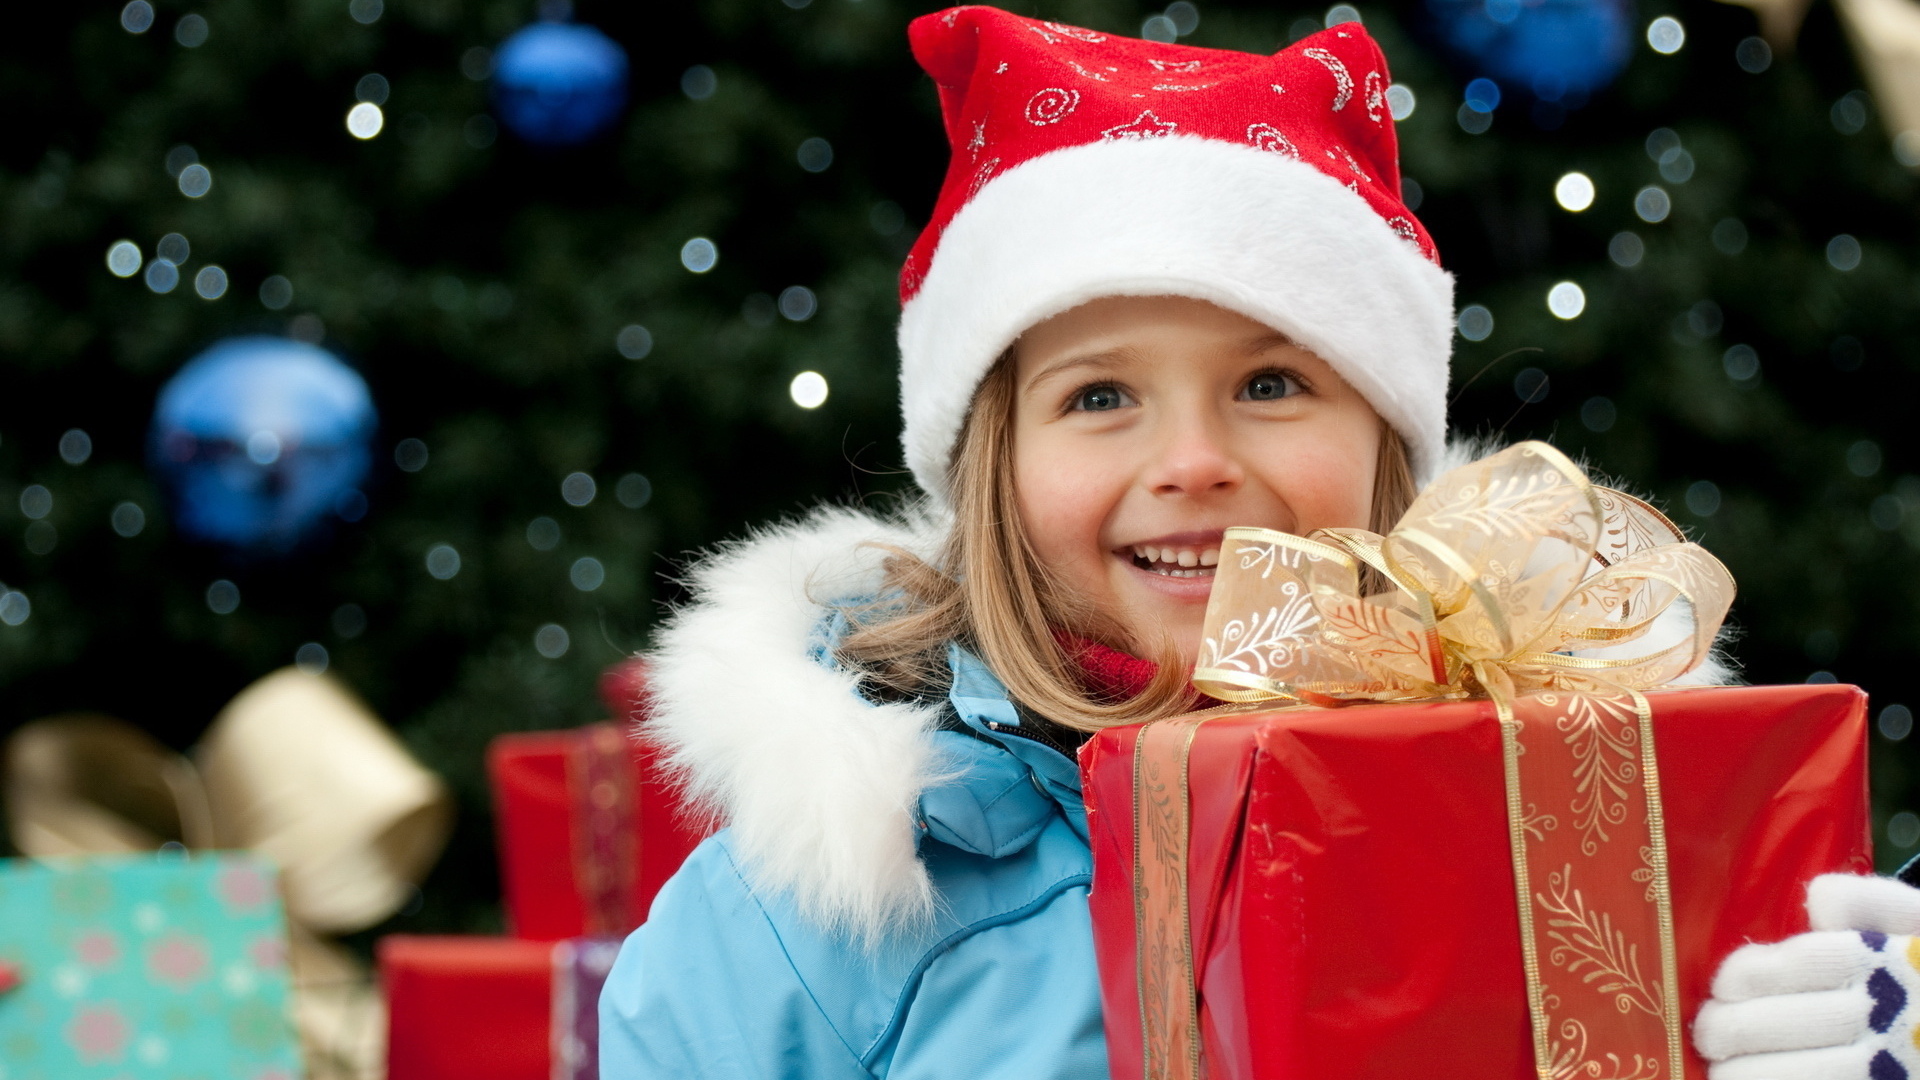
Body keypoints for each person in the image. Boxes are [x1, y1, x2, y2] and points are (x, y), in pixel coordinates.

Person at [598, 7, 1913, 1078]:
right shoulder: (816, 910)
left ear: (1391, 451)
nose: (1193, 462)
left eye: (1273, 385)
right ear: (990, 471)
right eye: (1099, 397)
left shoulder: (1596, 819)